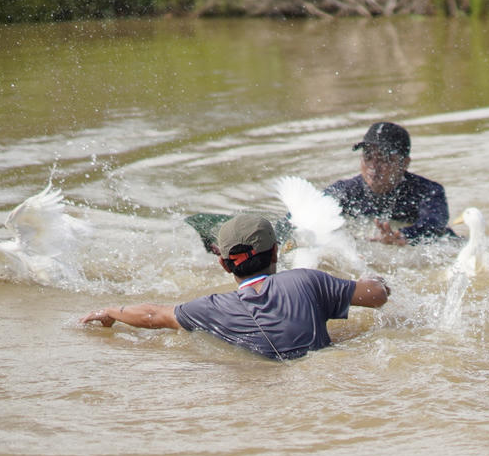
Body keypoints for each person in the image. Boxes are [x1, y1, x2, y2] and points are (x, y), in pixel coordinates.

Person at [81, 214, 389, 359]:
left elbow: (154, 315)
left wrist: (112, 311)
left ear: (224, 265)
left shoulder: (210, 308)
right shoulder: (307, 279)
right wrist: (379, 279)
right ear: (277, 252)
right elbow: (376, 296)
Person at [323, 121, 456, 245]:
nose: (373, 165)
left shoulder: (427, 192)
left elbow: (435, 223)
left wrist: (403, 236)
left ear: (404, 164)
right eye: (368, 156)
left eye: (384, 158)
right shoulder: (346, 192)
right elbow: (313, 210)